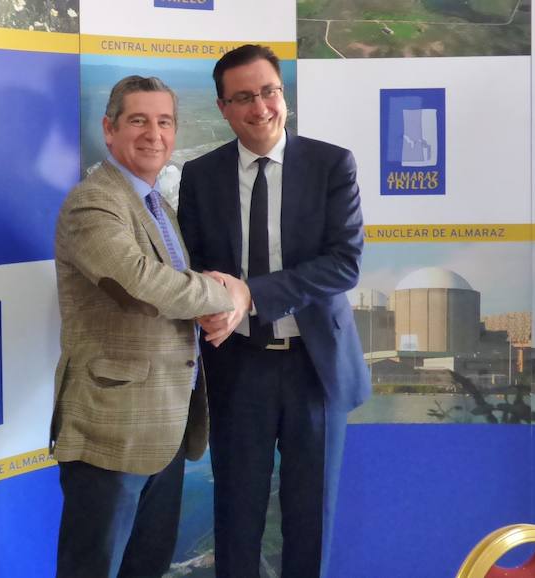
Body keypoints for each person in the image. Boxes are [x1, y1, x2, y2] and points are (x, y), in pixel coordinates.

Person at [177, 44, 371, 578]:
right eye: (243, 97)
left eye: (269, 92)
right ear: (223, 108)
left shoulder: (331, 164)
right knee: (237, 519)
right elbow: (192, 267)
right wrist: (211, 302)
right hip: (238, 365)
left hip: (316, 367)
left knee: (310, 523)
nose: (259, 107)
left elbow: (344, 264)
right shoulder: (200, 175)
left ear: (283, 95)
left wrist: (251, 294)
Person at [50, 75, 249, 578]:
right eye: (138, 120)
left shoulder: (156, 204)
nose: (153, 134)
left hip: (165, 428)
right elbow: (139, 282)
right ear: (109, 129)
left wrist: (204, 302)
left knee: (147, 567)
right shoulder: (94, 202)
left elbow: (169, 292)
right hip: (111, 431)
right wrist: (227, 295)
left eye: (164, 122)